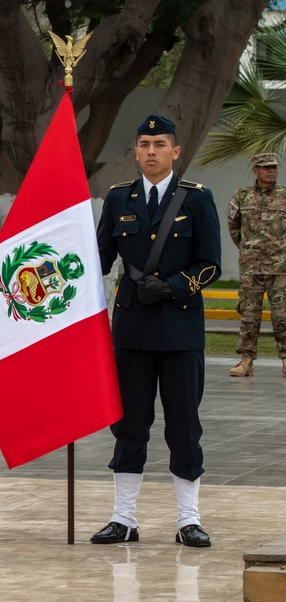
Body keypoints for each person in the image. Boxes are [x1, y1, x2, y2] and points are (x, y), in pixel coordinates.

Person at [92, 114, 221, 548]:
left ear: (176, 151)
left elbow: (210, 264)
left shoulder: (197, 200)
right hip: (130, 329)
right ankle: (123, 518)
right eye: (144, 144)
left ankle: (188, 520)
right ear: (136, 150)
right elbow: (99, 258)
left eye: (160, 144)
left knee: (184, 427)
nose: (151, 151)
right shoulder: (118, 199)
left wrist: (171, 287)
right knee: (129, 425)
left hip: (180, 328)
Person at [226, 152, 286, 378]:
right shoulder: (242, 196)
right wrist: (248, 248)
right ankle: (246, 360)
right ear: (255, 170)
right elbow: (233, 227)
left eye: (274, 167)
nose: (271, 171)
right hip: (251, 268)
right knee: (249, 315)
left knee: (283, 316)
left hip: (280, 269)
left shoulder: (284, 196)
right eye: (266, 167)